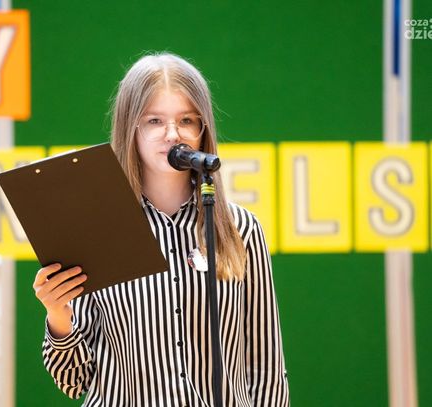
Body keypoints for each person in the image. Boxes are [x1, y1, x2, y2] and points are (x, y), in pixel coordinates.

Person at [33, 53, 290, 406]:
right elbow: (74, 381)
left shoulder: (240, 228)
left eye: (187, 120)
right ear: (130, 129)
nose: (173, 134)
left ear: (203, 131)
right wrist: (58, 315)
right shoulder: (98, 228)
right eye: (154, 121)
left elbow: (267, 369)